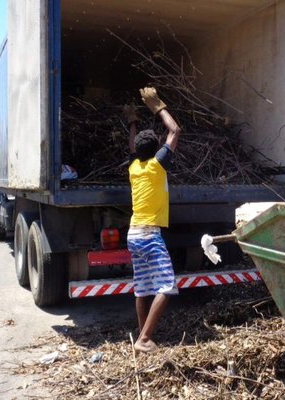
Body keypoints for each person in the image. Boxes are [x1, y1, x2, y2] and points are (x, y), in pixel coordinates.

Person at [124, 87, 181, 353]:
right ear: (157, 150)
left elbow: (132, 145)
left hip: (133, 234)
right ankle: (145, 339)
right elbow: (175, 131)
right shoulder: (158, 167)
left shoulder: (134, 168)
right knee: (167, 285)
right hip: (149, 234)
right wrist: (158, 107)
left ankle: (141, 335)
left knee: (143, 286)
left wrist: (133, 121)